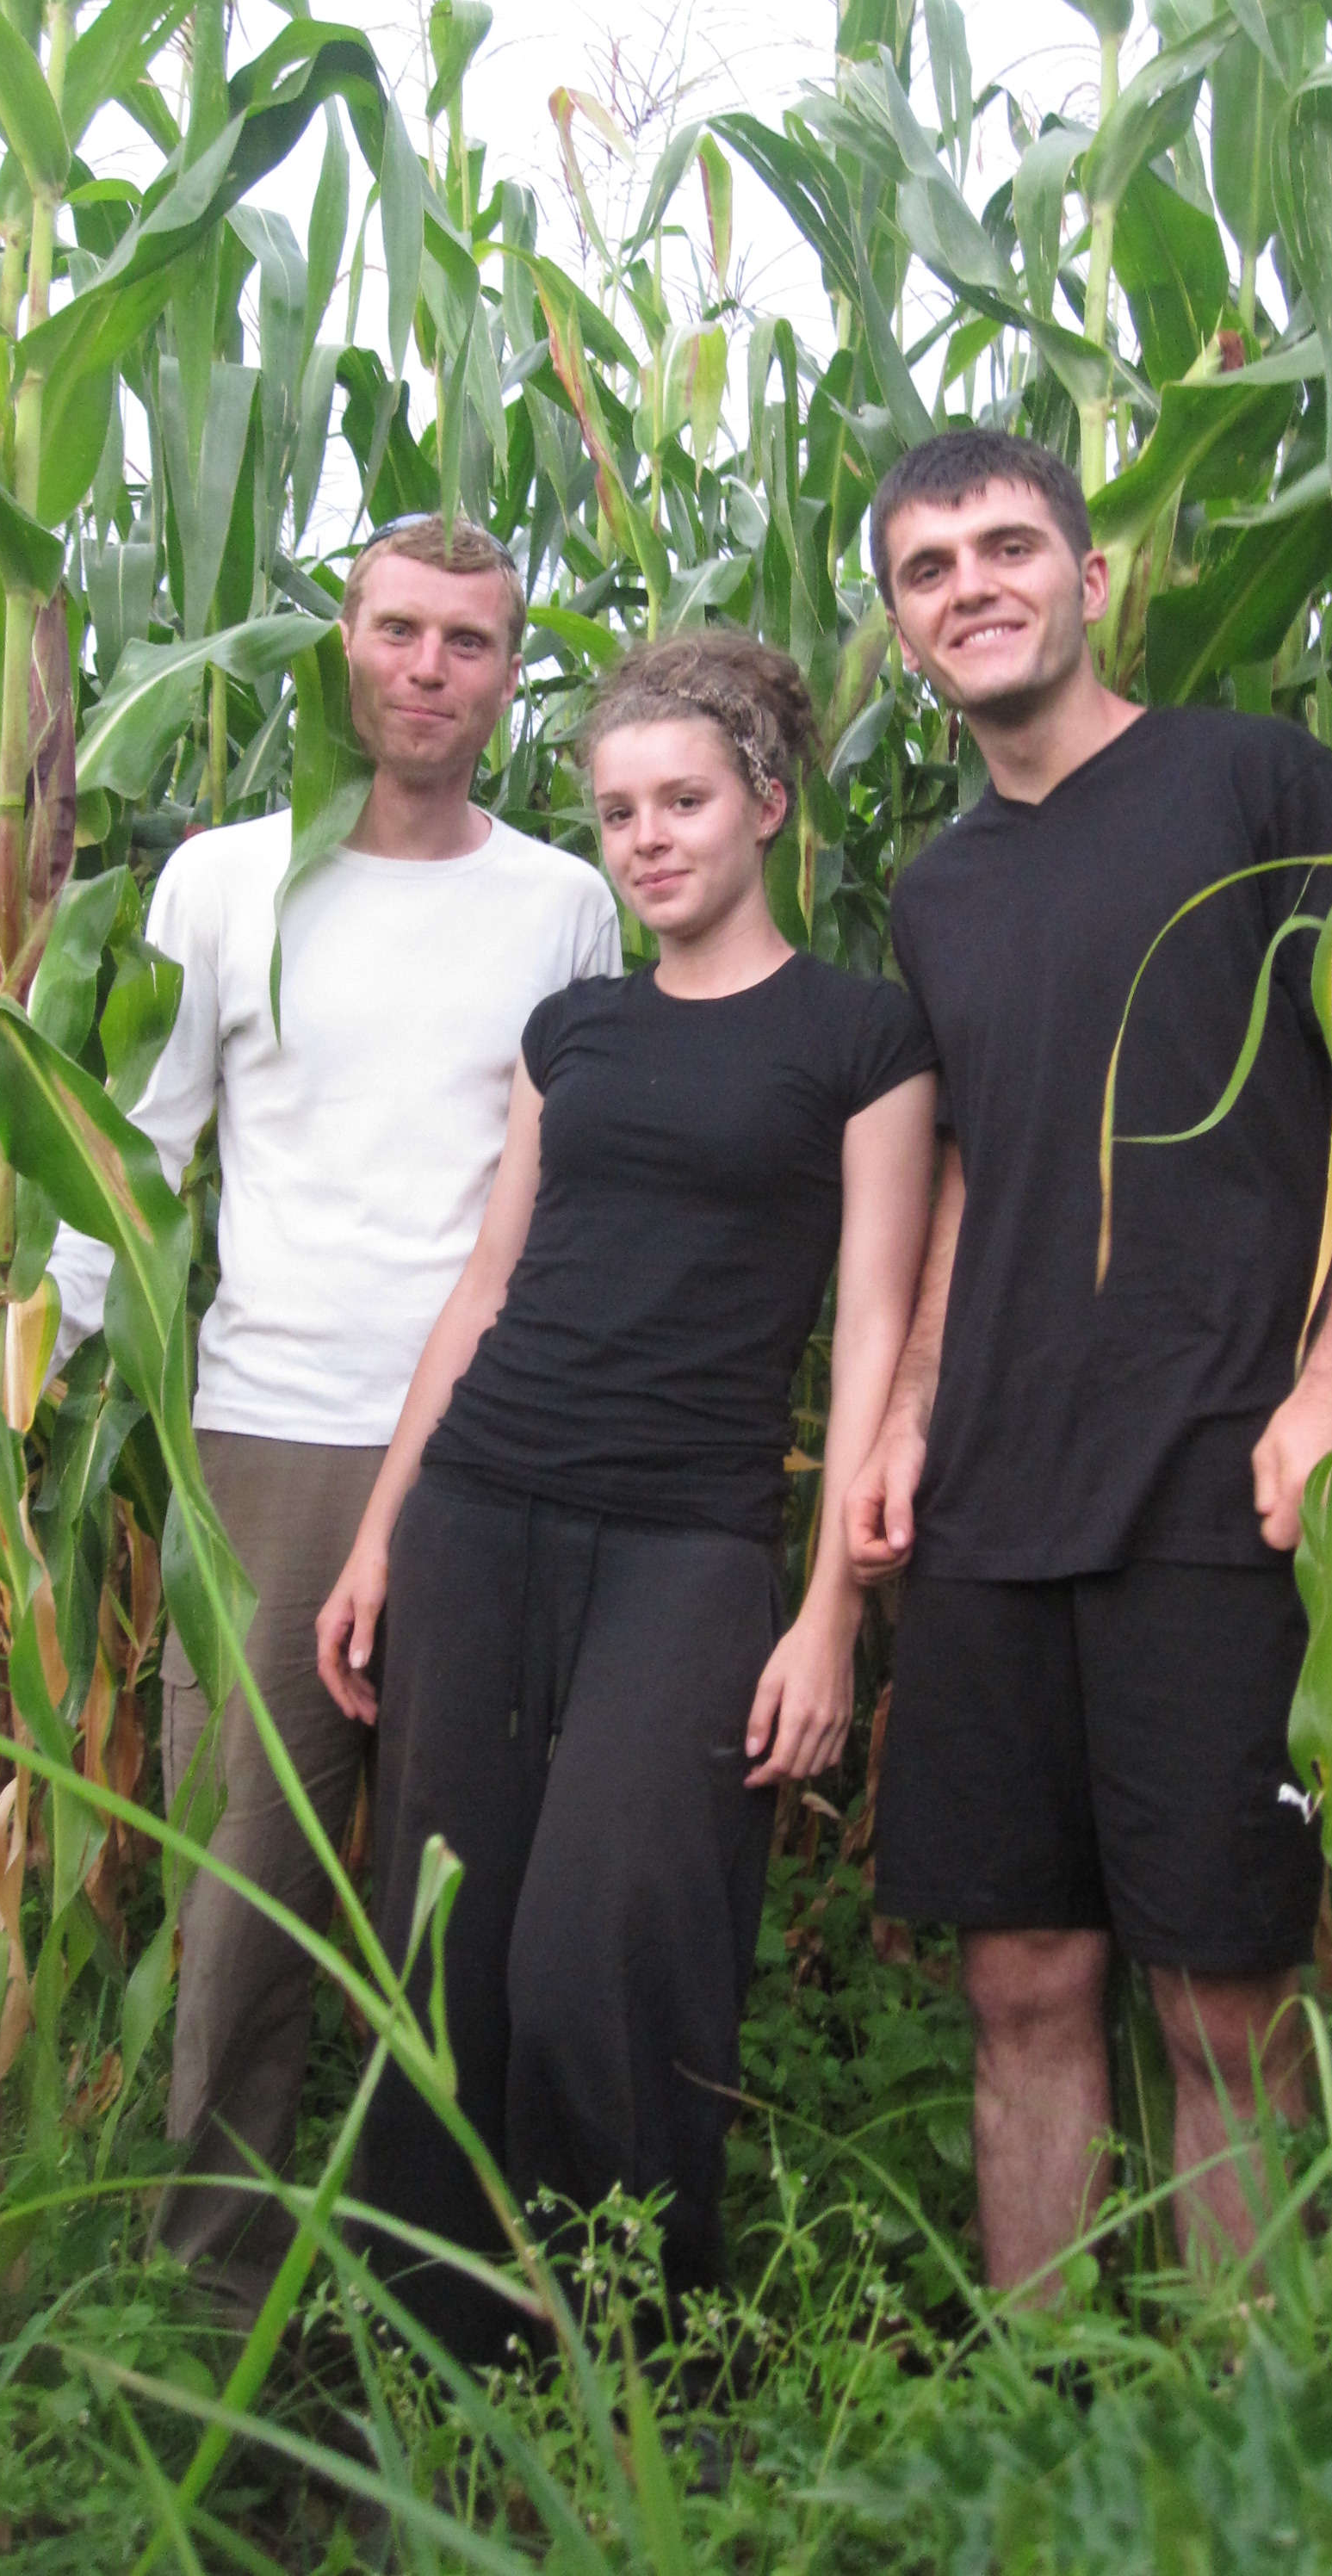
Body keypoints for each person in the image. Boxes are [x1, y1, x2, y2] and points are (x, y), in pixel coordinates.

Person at [0, 515, 622, 2319]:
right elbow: (130, 1165)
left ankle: (439, 2302)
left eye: (470, 641)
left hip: (488, 1449)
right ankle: (208, 2298)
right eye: (399, 631)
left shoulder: (562, 904)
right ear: (345, 648)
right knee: (249, 1893)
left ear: (511, 674)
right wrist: (15, 1358)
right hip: (273, 1442)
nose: (430, 670)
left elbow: (595, 1188)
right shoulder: (223, 883)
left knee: (467, 1895)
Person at [846, 426, 1332, 2286]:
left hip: (1212, 1471)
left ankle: (1232, 2455)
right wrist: (912, 1410)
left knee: (1222, 2002)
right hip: (993, 1495)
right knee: (1020, 1981)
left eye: (1009, 545)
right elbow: (965, 1177)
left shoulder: (1251, 782)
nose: (975, 587)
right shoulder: (939, 892)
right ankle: (1050, 2425)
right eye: (929, 570)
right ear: (902, 626)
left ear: (1093, 578)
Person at [313, 630, 939, 2360]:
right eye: (614, 813)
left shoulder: (862, 1039)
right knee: (440, 1948)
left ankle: (630, 2360)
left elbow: (874, 1332)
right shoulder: (571, 1030)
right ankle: (424, 2362)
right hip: (482, 1509)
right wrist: (378, 1536)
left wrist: (829, 1615)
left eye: (681, 800)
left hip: (690, 1540)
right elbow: (488, 1286)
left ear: (766, 805)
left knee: (612, 1952)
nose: (648, 837)